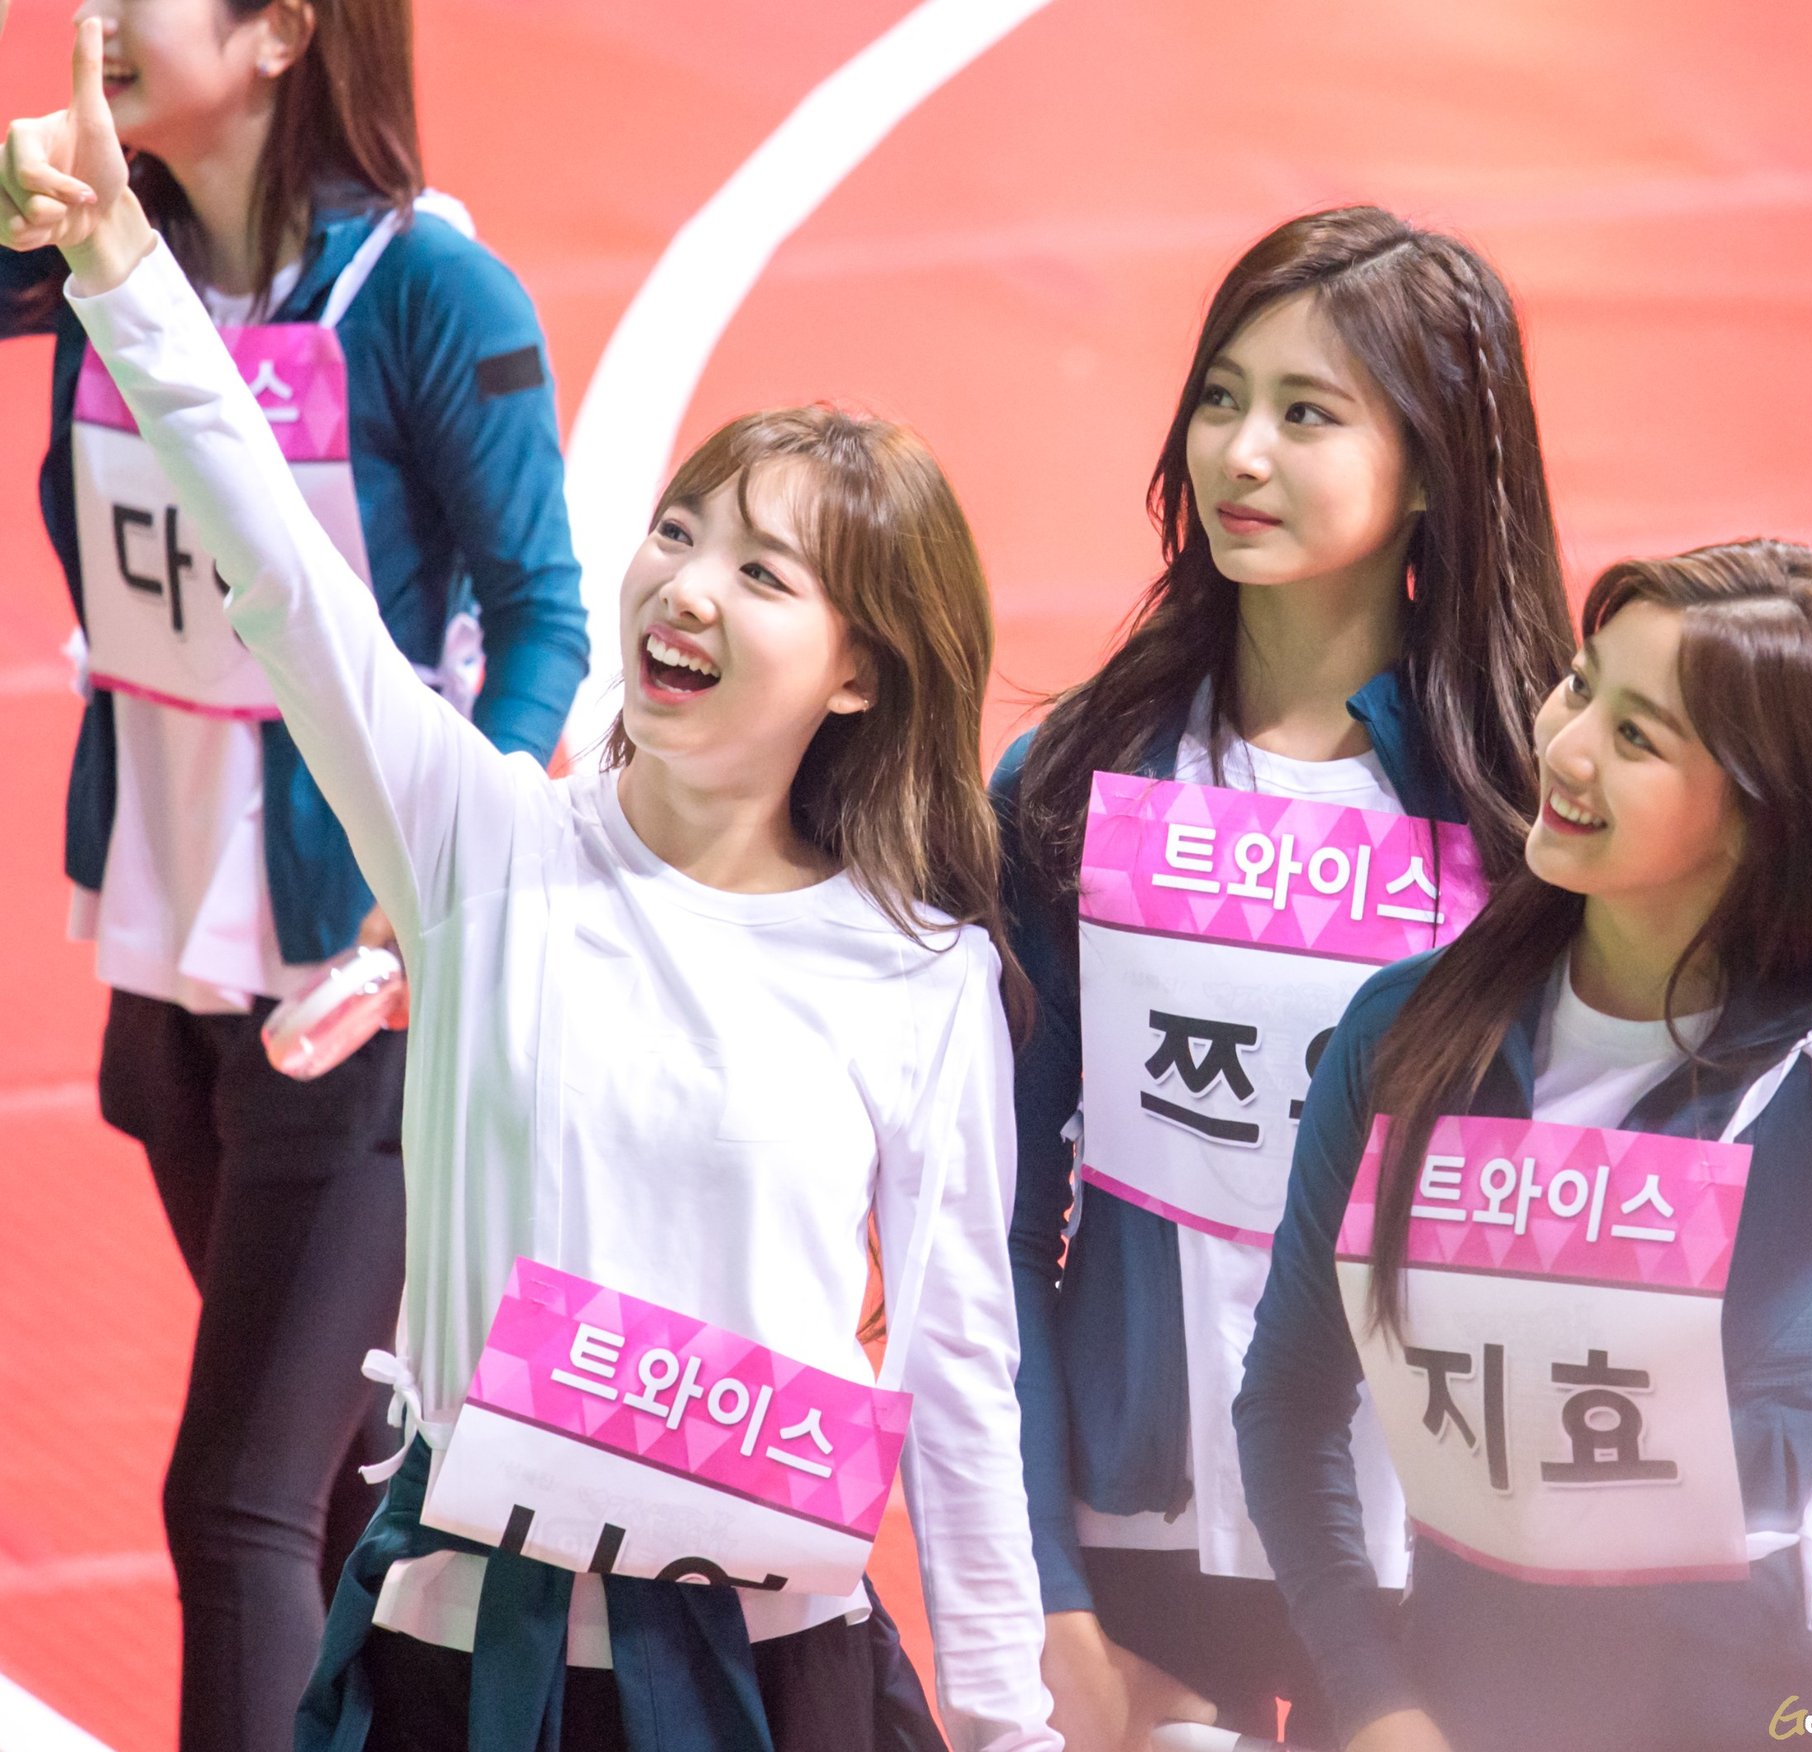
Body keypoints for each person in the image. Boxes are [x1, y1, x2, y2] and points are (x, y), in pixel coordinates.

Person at [3, 23, 1054, 1751]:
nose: (685, 587)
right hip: (462, 1665)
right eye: (679, 533)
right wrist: (115, 258)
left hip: (767, 1678)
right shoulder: (478, 847)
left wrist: (1011, 1728)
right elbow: (276, 566)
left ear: (862, 672)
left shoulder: (916, 970)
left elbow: (959, 1382)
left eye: (763, 572)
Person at [0, 1, 587, 1745]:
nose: (100, 19)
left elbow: (543, 615)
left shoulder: (428, 294)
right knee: (338, 1482)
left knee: (238, 1497)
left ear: (280, 34)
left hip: (357, 982)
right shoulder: (105, 258)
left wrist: (448, 883)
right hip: (169, 949)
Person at [1237, 540, 1812, 1751]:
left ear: (1760, 814)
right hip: (1459, 1704)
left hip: (1777, 1709)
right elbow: (1289, 1402)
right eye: (1578, 686)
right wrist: (1371, 1700)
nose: (1564, 749)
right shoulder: (1406, 1029)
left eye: (1634, 737)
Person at [995, 205, 1574, 1748]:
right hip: (1139, 1548)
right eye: (1220, 397)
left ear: (1434, 467)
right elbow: (999, 1222)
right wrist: (1043, 1585)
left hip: (1437, 1558)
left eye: (1307, 413)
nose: (1239, 453)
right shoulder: (1073, 784)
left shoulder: (1536, 813)